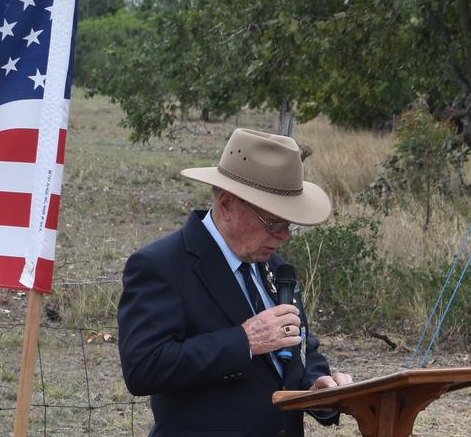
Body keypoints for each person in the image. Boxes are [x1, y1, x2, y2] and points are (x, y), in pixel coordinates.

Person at [118, 128, 353, 437]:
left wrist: (317, 387)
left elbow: (301, 346)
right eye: (274, 223)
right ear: (227, 206)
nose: (284, 236)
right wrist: (243, 341)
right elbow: (143, 368)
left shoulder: (276, 268)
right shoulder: (162, 265)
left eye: (289, 224)